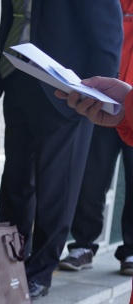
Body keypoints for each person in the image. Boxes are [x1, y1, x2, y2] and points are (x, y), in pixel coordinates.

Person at [0, 0, 123, 300]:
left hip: (66, 91)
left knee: (56, 187)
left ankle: (40, 272)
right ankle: (6, 265)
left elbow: (108, 34)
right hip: (17, 76)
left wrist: (94, 96)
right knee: (15, 180)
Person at [59, 0, 133, 277]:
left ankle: (131, 249)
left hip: (129, 101)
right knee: (91, 177)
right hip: (105, 99)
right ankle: (83, 244)